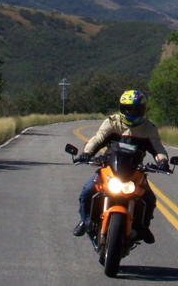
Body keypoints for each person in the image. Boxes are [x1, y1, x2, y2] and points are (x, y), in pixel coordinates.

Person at [73, 90, 169, 244]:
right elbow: (98, 139)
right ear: (122, 108)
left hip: (135, 170)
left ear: (143, 110)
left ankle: (144, 227)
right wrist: (86, 153)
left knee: (149, 199)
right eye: (129, 108)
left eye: (136, 109)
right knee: (87, 191)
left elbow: (158, 148)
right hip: (110, 167)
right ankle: (84, 221)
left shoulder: (148, 128)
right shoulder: (112, 122)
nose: (132, 111)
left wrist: (163, 162)